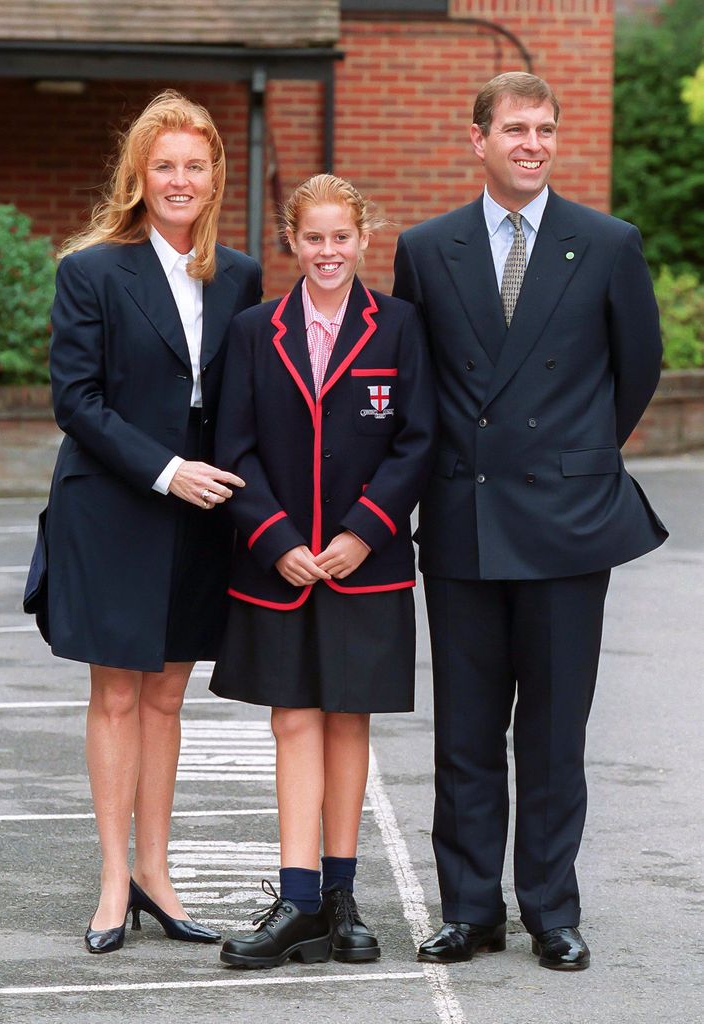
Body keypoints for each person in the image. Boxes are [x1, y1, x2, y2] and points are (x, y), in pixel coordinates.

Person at [393, 72, 667, 971]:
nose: (532, 145)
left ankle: (552, 909)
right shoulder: (428, 249)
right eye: (515, 129)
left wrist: (573, 459)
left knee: (554, 731)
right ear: (478, 140)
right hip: (465, 515)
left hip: (566, 518)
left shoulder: (608, 241)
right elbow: (421, 387)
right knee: (466, 730)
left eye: (545, 130)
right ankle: (471, 911)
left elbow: (636, 370)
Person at [23, 90, 262, 954]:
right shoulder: (90, 269)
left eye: (195, 166)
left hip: (204, 512)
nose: (179, 180)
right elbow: (75, 402)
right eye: (163, 165)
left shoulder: (238, 275)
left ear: (214, 177)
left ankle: (158, 875)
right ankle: (111, 884)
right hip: (117, 503)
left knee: (168, 696)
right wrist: (167, 471)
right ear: (138, 175)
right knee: (117, 691)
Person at [208, 174, 436, 969]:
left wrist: (363, 533)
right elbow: (230, 448)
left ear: (364, 239)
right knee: (294, 721)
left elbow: (418, 442)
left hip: (363, 566)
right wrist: (276, 539)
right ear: (292, 242)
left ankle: (342, 899)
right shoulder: (252, 330)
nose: (328, 251)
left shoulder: (401, 327)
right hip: (278, 567)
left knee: (348, 722)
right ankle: (298, 900)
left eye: (342, 237)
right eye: (313, 238)